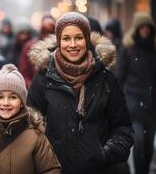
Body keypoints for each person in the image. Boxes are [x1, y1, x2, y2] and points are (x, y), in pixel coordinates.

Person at [27, 12, 134, 174]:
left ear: (86, 39)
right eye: (66, 38)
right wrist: (44, 160)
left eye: (78, 37)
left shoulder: (106, 79)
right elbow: (30, 128)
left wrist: (105, 154)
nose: (73, 44)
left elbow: (122, 128)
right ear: (58, 41)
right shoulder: (43, 79)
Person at [117, 12, 156, 174]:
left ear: (151, 29)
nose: (144, 30)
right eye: (141, 27)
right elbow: (119, 79)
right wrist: (112, 103)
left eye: (147, 27)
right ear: (136, 29)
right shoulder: (128, 50)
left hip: (153, 104)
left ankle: (145, 170)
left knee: (149, 145)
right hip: (133, 104)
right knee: (140, 143)